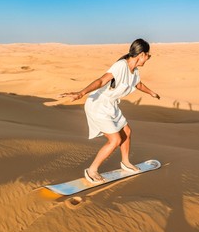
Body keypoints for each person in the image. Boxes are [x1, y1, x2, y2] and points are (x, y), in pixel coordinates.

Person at [60, 38, 160, 184]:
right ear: (142, 54)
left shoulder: (135, 70)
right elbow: (101, 81)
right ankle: (91, 170)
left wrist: (151, 93)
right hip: (98, 105)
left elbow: (138, 84)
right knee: (115, 140)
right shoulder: (121, 66)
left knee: (127, 132)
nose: (148, 58)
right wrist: (80, 93)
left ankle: (125, 162)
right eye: (148, 56)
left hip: (111, 105)